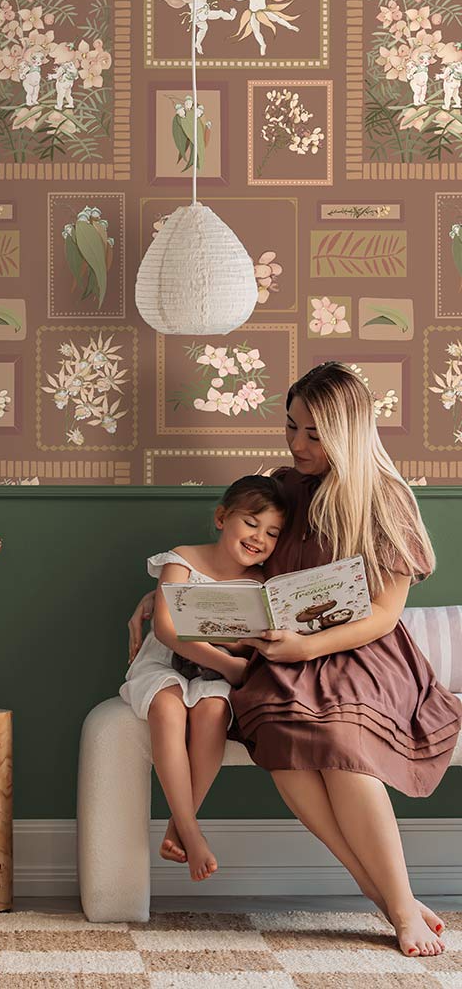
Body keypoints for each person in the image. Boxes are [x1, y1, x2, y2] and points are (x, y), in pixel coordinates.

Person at [127, 361, 462, 958]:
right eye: (292, 427)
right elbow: (234, 559)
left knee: (341, 748)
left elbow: (384, 614)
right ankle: (383, 895)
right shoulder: (286, 483)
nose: (298, 444)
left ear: (349, 431)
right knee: (282, 744)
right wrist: (159, 595)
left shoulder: (385, 499)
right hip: (279, 656)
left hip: (359, 652)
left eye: (314, 433)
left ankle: (399, 898)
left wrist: (307, 646)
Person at [121, 476, 286, 881]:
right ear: (221, 517)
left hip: (217, 673)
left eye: (272, 533)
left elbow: (252, 642)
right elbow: (166, 629)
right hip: (165, 663)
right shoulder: (182, 560)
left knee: (213, 711)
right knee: (167, 705)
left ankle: (179, 824)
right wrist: (230, 665)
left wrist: (235, 658)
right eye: (251, 523)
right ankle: (191, 831)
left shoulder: (261, 583)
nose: (259, 538)